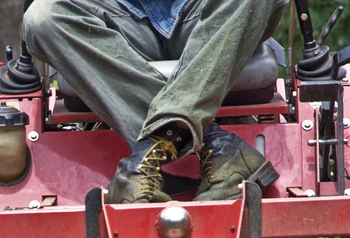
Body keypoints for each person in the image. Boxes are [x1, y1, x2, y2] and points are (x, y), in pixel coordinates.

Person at [23, 0, 290, 203]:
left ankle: (146, 154)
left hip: (210, 16)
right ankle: (215, 144)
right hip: (119, 19)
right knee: (43, 17)